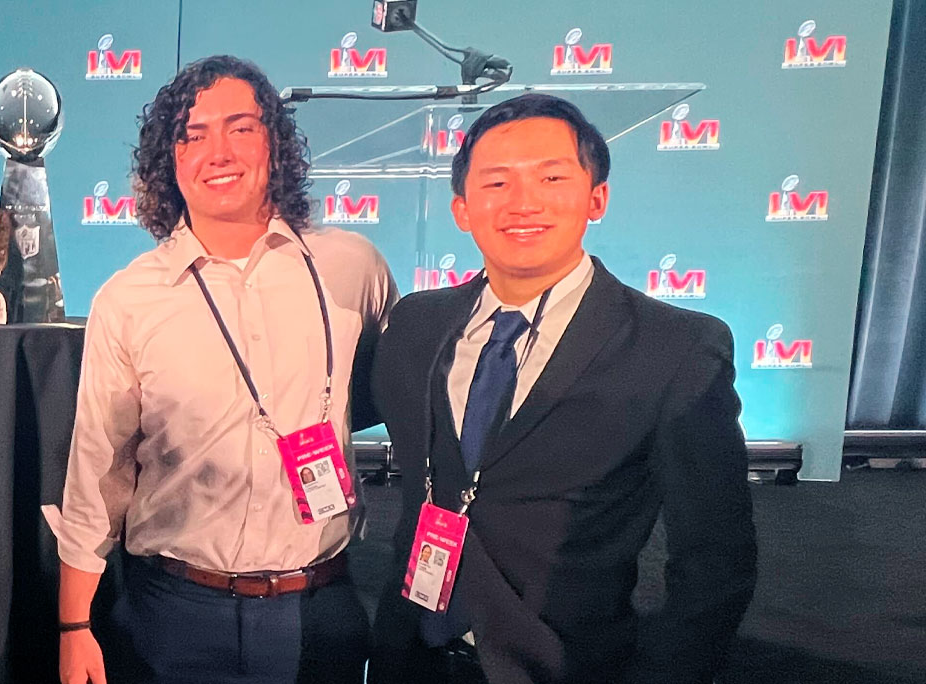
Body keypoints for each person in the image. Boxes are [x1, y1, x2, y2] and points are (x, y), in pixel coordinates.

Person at [367, 94, 757, 684]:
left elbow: (715, 560)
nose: (523, 202)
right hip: (412, 655)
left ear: (596, 197)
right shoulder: (417, 325)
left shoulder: (673, 348)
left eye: (551, 177)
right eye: (496, 183)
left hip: (568, 665)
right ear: (462, 209)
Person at [56, 55, 398, 684]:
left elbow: (379, 393)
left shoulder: (354, 267)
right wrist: (74, 626)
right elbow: (98, 472)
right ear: (171, 162)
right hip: (176, 615)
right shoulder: (130, 298)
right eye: (192, 135)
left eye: (240, 128)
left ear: (276, 143)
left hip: (321, 608)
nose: (218, 151)